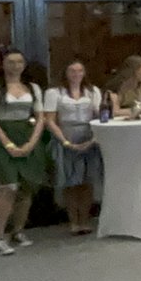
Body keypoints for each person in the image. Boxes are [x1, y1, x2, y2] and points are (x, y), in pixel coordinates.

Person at [0, 48, 48, 255]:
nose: (15, 66)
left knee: (26, 187)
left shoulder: (33, 88)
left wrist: (32, 143)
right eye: (11, 62)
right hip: (2, 138)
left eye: (19, 62)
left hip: (27, 136)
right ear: (2, 64)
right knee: (7, 187)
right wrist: (8, 144)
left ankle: (18, 231)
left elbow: (40, 117)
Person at [43, 59, 103, 236]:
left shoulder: (92, 91)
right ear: (65, 72)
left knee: (87, 181)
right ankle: (73, 221)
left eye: (80, 71)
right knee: (70, 182)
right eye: (72, 71)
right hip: (65, 136)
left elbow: (99, 115)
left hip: (89, 136)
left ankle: (85, 220)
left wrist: (93, 139)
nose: (76, 74)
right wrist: (65, 141)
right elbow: (50, 120)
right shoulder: (54, 92)